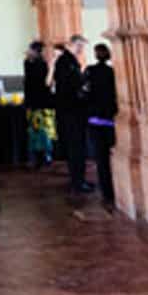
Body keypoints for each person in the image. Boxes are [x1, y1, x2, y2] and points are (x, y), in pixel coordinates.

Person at [54, 34, 94, 194]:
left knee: (77, 146)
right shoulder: (66, 62)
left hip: (71, 110)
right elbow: (67, 86)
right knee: (76, 147)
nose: (81, 49)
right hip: (71, 111)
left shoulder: (70, 61)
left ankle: (79, 179)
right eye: (80, 46)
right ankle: (78, 181)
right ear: (73, 44)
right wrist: (82, 87)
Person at [85, 43, 119, 209]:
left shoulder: (90, 71)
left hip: (95, 119)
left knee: (101, 157)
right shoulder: (113, 73)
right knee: (114, 154)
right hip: (110, 119)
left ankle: (106, 190)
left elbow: (85, 92)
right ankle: (116, 188)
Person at [23, 40, 55, 170]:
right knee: (44, 130)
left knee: (35, 130)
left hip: (32, 102)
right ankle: (46, 155)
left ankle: (36, 157)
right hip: (43, 101)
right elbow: (47, 83)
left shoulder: (27, 63)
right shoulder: (42, 64)